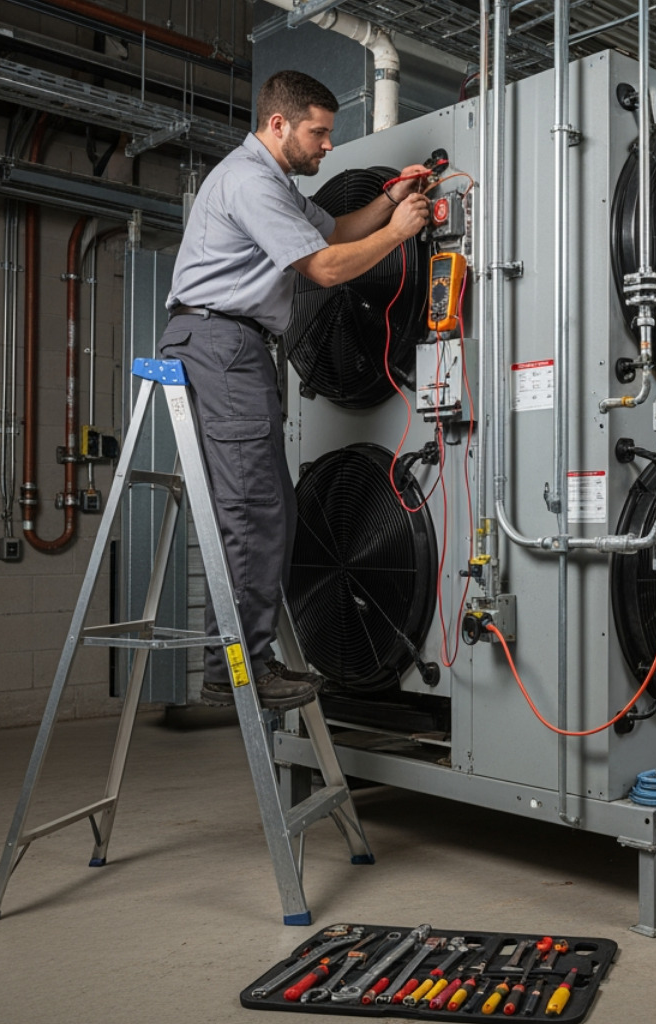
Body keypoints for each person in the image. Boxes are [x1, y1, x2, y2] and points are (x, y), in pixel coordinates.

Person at [159, 70, 431, 709]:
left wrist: (390, 201)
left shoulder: (275, 185)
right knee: (252, 508)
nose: (328, 146)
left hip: (237, 346)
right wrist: (400, 235)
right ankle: (234, 670)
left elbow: (336, 230)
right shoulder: (251, 182)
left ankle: (242, 661)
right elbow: (327, 267)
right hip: (221, 344)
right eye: (319, 133)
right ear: (278, 124)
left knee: (269, 506)